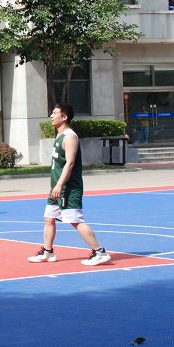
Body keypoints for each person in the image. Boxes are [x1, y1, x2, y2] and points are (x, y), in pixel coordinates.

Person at [28, 104, 111, 266]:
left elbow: (70, 163)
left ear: (64, 117)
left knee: (75, 220)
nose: (51, 116)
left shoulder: (70, 137)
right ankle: (48, 252)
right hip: (57, 188)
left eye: (55, 113)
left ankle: (99, 252)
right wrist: (54, 185)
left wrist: (59, 184)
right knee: (49, 218)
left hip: (68, 187)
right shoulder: (59, 135)